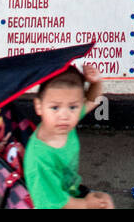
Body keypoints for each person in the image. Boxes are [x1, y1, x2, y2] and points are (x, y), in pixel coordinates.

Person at [23, 64, 114, 209]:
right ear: (39, 106)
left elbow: (93, 100)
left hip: (71, 192)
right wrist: (86, 204)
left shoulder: (62, 125)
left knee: (105, 201)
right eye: (55, 107)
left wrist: (96, 82)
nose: (64, 116)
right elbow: (54, 203)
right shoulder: (39, 158)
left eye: (72, 107)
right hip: (55, 204)